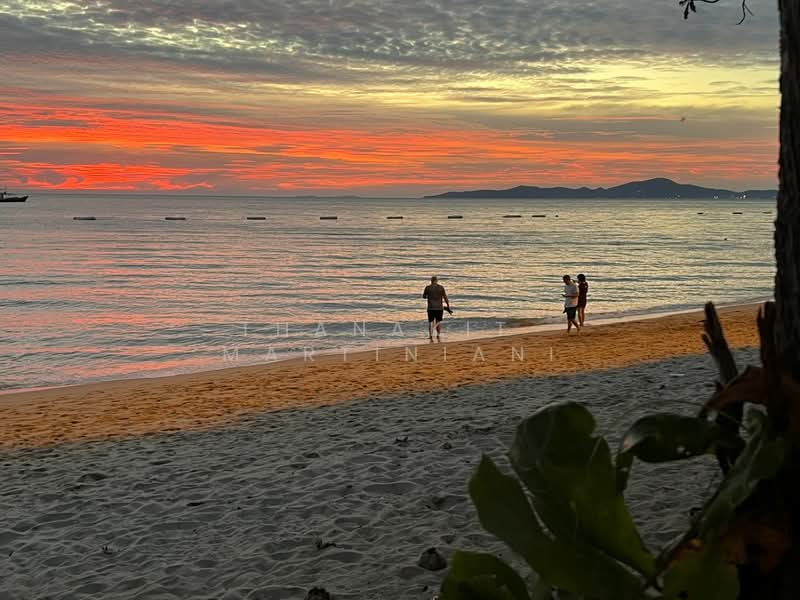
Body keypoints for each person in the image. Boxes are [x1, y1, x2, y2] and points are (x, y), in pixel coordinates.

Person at [422, 276, 451, 341]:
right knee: (438, 322)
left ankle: (431, 335)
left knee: (430, 322)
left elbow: (424, 296)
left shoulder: (428, 288)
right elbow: (445, 297)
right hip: (439, 308)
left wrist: (428, 296)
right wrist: (448, 305)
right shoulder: (441, 287)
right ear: (437, 280)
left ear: (431, 281)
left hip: (431, 308)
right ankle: (438, 335)